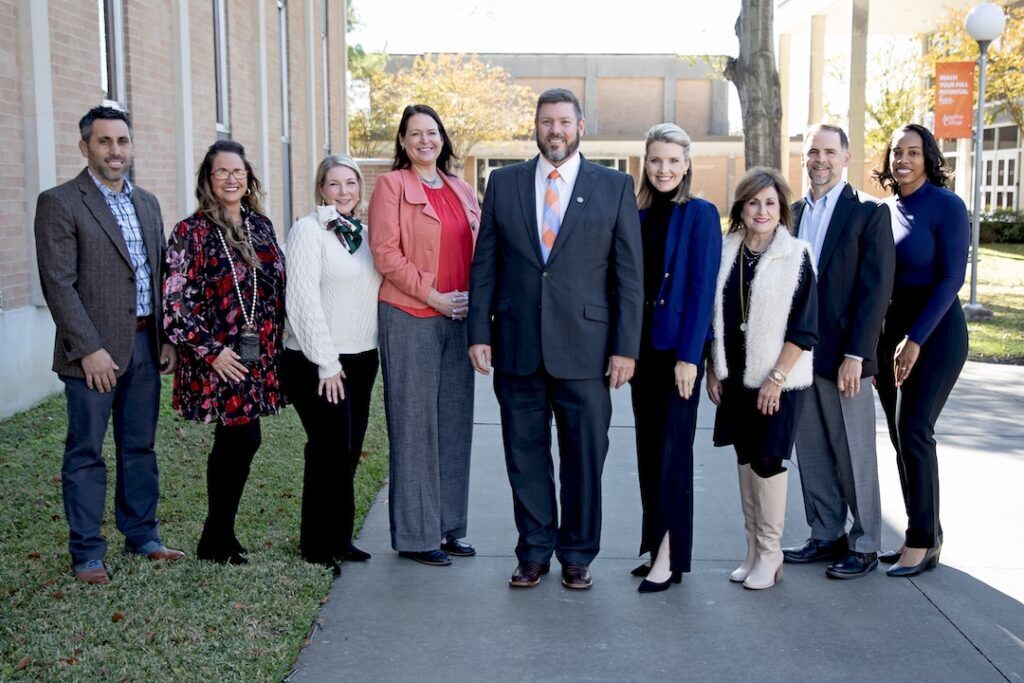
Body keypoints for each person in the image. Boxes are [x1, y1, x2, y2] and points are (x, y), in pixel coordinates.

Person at [468, 88, 643, 591]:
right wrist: (479, 332)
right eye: (547, 122)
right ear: (536, 127)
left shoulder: (613, 185)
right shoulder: (503, 183)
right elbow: (486, 266)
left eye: (564, 121)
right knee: (524, 456)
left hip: (587, 351)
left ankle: (577, 554)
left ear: (580, 126)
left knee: (584, 458)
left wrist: (625, 347)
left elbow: (628, 277)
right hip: (518, 345)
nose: (555, 131)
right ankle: (534, 551)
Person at [34, 106, 184, 585]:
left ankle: (141, 534)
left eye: (122, 141)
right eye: (104, 142)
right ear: (85, 147)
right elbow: (59, 284)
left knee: (139, 446)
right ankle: (87, 552)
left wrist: (166, 339)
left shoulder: (148, 202)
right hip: (93, 353)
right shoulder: (60, 202)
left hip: (145, 345)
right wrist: (89, 349)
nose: (115, 151)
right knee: (86, 451)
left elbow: (158, 276)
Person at [367, 104, 481, 567]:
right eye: (414, 134)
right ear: (402, 141)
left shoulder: (461, 187)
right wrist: (434, 296)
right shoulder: (391, 186)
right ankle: (416, 535)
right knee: (414, 426)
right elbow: (385, 254)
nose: (424, 141)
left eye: (431, 132)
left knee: (454, 423)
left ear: (442, 137)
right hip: (411, 314)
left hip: (461, 319)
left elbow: (481, 247)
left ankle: (449, 526)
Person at [163, 140, 286, 565]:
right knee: (240, 438)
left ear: (248, 177)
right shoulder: (189, 232)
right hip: (219, 361)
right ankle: (215, 538)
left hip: (257, 356)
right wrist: (212, 352)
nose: (231, 179)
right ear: (207, 180)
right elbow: (175, 305)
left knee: (242, 440)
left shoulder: (262, 227)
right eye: (222, 172)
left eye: (238, 172)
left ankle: (219, 536)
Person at [782, 124, 896, 580]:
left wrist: (858, 354)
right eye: (813, 152)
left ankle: (866, 542)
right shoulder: (790, 214)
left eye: (830, 151)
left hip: (845, 356)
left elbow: (875, 292)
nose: (820, 160)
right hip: (800, 357)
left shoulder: (868, 213)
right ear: (805, 158)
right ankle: (826, 531)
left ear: (846, 157)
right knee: (811, 450)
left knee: (854, 452)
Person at [706, 166, 818, 591]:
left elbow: (805, 328)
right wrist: (714, 368)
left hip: (779, 382)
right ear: (741, 206)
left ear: (781, 209)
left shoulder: (798, 254)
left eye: (771, 203)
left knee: (769, 460)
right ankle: (753, 549)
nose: (762, 210)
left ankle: (771, 554)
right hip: (735, 377)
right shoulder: (726, 248)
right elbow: (714, 318)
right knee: (745, 458)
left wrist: (775, 377)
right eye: (754, 202)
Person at [871, 124, 969, 578]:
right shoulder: (883, 210)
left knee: (914, 429)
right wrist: (878, 344)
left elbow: (952, 279)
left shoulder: (947, 206)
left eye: (913, 152)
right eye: (896, 152)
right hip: (891, 335)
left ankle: (923, 541)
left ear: (929, 158)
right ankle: (921, 530)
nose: (903, 160)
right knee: (898, 436)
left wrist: (915, 340)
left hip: (936, 331)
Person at [629, 123, 721, 593]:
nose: (663, 169)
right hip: (641, 353)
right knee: (648, 451)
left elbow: (704, 290)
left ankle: (670, 555)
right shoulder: (636, 213)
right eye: (655, 160)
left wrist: (692, 357)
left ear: (686, 164)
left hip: (677, 354)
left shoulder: (701, 214)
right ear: (645, 164)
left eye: (672, 160)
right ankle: (655, 546)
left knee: (672, 454)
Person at [282, 154, 382, 575]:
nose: (344, 191)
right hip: (317, 360)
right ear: (321, 189)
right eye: (335, 184)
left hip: (362, 357)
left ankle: (340, 537)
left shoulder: (363, 233)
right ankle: (315, 544)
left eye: (351, 183)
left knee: (349, 450)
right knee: (327, 449)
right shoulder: (309, 231)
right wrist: (326, 362)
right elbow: (301, 300)